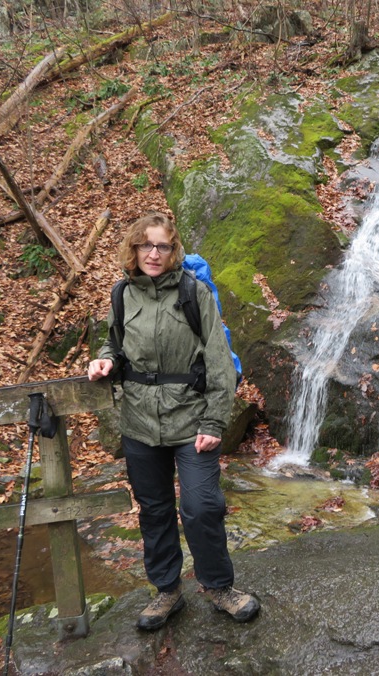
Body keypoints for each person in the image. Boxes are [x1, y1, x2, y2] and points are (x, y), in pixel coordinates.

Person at [88, 212, 259, 630]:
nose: (153, 253)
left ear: (173, 249)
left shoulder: (194, 292)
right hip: (139, 423)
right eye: (145, 245)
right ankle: (167, 591)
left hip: (192, 420)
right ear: (133, 248)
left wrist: (215, 423)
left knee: (201, 506)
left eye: (162, 245)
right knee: (154, 509)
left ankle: (219, 587)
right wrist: (106, 360)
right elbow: (115, 342)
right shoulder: (122, 294)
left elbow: (220, 364)